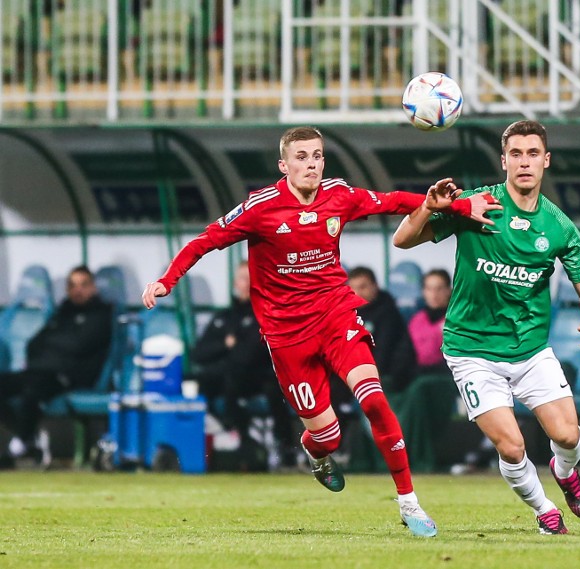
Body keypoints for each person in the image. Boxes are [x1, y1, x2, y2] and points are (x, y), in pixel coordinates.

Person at [141, 125, 496, 537]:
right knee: (327, 435)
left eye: (317, 156)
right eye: (302, 157)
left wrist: (452, 207)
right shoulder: (261, 207)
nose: (311, 164)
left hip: (335, 315)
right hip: (287, 336)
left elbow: (393, 202)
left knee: (375, 399)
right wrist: (168, 279)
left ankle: (409, 503)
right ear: (284, 164)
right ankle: (317, 451)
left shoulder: (338, 196)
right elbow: (204, 241)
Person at [393, 119, 580, 535]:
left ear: (546, 160)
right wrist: (429, 208)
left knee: (566, 436)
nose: (523, 162)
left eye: (532, 154)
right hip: (472, 350)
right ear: (503, 160)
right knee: (512, 445)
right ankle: (545, 510)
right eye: (515, 154)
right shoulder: (476, 204)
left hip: (529, 349)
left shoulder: (559, 228)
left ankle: (566, 473)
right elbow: (403, 240)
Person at [0, 266, 113, 469]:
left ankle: (20, 446)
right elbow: (34, 343)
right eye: (72, 285)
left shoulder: (101, 315)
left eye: (84, 284)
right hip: (40, 371)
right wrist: (55, 345)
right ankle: (26, 437)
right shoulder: (62, 313)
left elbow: (79, 345)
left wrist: (52, 344)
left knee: (32, 392)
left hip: (69, 376)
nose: (78, 290)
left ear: (93, 288)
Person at [190, 260, 295, 468]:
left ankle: (277, 450)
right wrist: (225, 345)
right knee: (200, 382)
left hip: (258, 378)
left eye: (252, 279)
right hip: (227, 378)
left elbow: (248, 356)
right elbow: (198, 353)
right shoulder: (224, 317)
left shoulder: (267, 315)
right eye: (242, 279)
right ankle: (224, 438)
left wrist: (226, 352)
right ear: (235, 282)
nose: (246, 284)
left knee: (247, 381)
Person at [347, 266, 417, 394]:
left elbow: (383, 352)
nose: (357, 293)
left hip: (389, 375)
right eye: (353, 288)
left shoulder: (388, 313)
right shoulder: (349, 313)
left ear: (375, 286)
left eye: (363, 287)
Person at [407, 269, 452, 374]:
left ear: (448, 290)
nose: (434, 294)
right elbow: (406, 353)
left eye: (439, 289)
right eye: (429, 289)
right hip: (417, 374)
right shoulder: (416, 320)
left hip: (447, 377)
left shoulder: (458, 319)